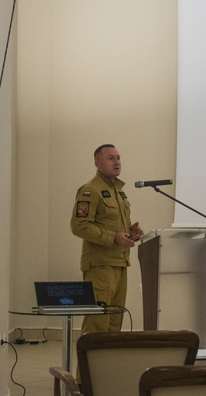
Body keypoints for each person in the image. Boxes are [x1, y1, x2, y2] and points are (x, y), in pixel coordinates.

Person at [70, 143, 143, 334]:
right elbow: (79, 226)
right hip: (100, 267)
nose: (117, 162)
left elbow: (109, 224)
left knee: (113, 326)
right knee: (97, 325)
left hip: (120, 264)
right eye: (111, 158)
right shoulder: (90, 191)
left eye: (118, 158)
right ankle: (86, 365)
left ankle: (108, 365)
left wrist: (130, 231)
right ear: (97, 163)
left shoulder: (118, 191)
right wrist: (113, 238)